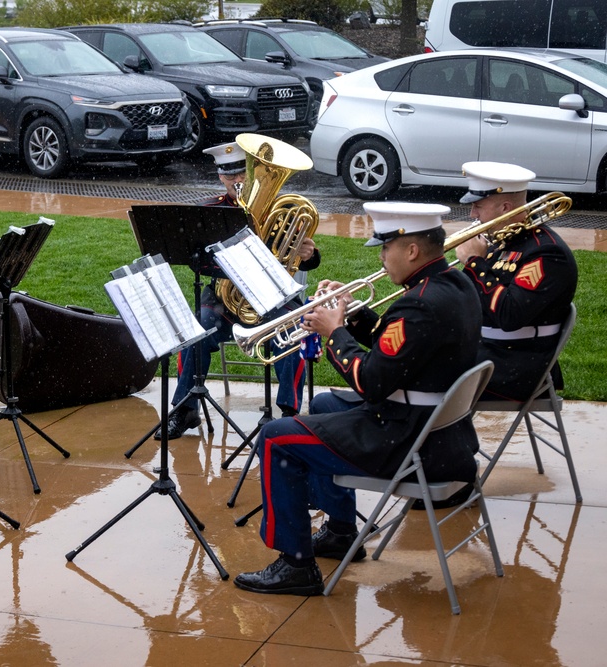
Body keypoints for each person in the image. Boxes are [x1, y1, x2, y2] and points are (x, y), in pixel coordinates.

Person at [234, 202, 483, 596]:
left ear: (412, 250)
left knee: (276, 437)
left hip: (406, 440)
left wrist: (334, 333)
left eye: (385, 249)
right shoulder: (454, 284)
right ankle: (340, 530)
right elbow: (401, 349)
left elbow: (370, 382)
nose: (382, 258)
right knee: (325, 406)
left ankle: (296, 566)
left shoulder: (420, 303)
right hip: (439, 431)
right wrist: (350, 316)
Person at [157, 141, 321, 439]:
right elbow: (196, 262)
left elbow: (306, 258)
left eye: (241, 173)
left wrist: (308, 254)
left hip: (271, 299)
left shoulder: (279, 211)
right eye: (229, 175)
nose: (237, 181)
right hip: (224, 301)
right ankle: (185, 409)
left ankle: (288, 414)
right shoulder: (211, 212)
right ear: (221, 177)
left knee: (294, 332)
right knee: (197, 329)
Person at [454, 161, 578, 401]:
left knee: (415, 375)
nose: (473, 215)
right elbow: (465, 297)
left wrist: (474, 263)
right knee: (409, 357)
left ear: (505, 208)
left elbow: (509, 315)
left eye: (478, 206)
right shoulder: (503, 242)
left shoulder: (546, 253)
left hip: (513, 369)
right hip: (487, 354)